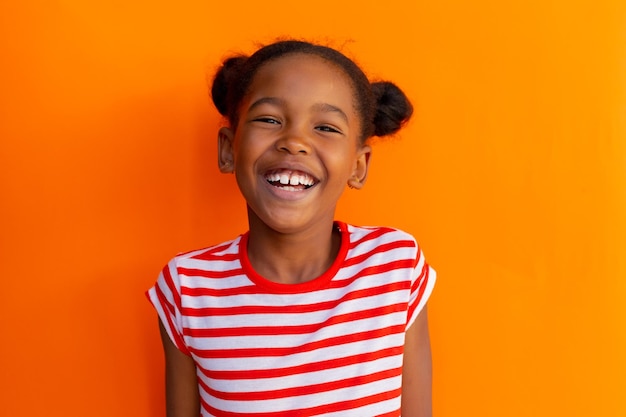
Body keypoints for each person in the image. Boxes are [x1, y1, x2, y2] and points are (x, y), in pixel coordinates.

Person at [147, 39, 436, 417]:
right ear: (229, 149)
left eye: (326, 127)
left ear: (358, 165)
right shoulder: (188, 287)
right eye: (269, 120)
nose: (294, 142)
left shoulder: (395, 267)